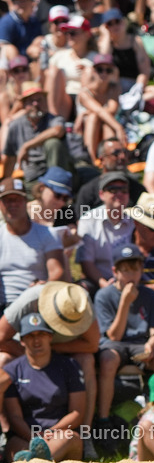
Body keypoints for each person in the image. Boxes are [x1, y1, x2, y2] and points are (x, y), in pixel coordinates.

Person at [93, 244, 154, 448]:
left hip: (140, 343)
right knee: (108, 360)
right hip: (114, 344)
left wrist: (151, 345)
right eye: (125, 270)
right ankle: (104, 420)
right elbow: (113, 335)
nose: (131, 275)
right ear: (115, 272)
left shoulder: (150, 295)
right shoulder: (104, 295)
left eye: (135, 269)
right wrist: (125, 302)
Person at [2, 314, 85, 462]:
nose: (36, 340)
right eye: (30, 336)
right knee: (14, 446)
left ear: (50, 337)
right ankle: (39, 460)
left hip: (59, 433)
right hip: (24, 435)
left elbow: (77, 412)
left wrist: (52, 432)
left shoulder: (69, 366)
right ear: (22, 340)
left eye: (41, 334)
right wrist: (33, 438)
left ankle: (34, 462)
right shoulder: (12, 370)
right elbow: (14, 416)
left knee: (71, 438)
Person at [0, 177, 65, 307]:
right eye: (7, 201)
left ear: (26, 202)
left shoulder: (48, 234)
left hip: (34, 303)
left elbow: (57, 272)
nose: (13, 204)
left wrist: (42, 287)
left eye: (17, 200)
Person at [1, 81, 74, 183]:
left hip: (58, 177)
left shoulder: (54, 119)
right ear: (23, 104)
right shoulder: (15, 126)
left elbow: (58, 131)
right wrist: (4, 182)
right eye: (31, 101)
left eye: (39, 100)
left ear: (45, 101)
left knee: (53, 143)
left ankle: (54, 187)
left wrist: (27, 145)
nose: (36, 104)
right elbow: (10, 158)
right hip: (33, 178)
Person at [75, 139, 145, 216]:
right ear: (102, 160)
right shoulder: (88, 191)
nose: (122, 156)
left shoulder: (137, 189)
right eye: (116, 153)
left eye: (125, 152)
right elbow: (81, 222)